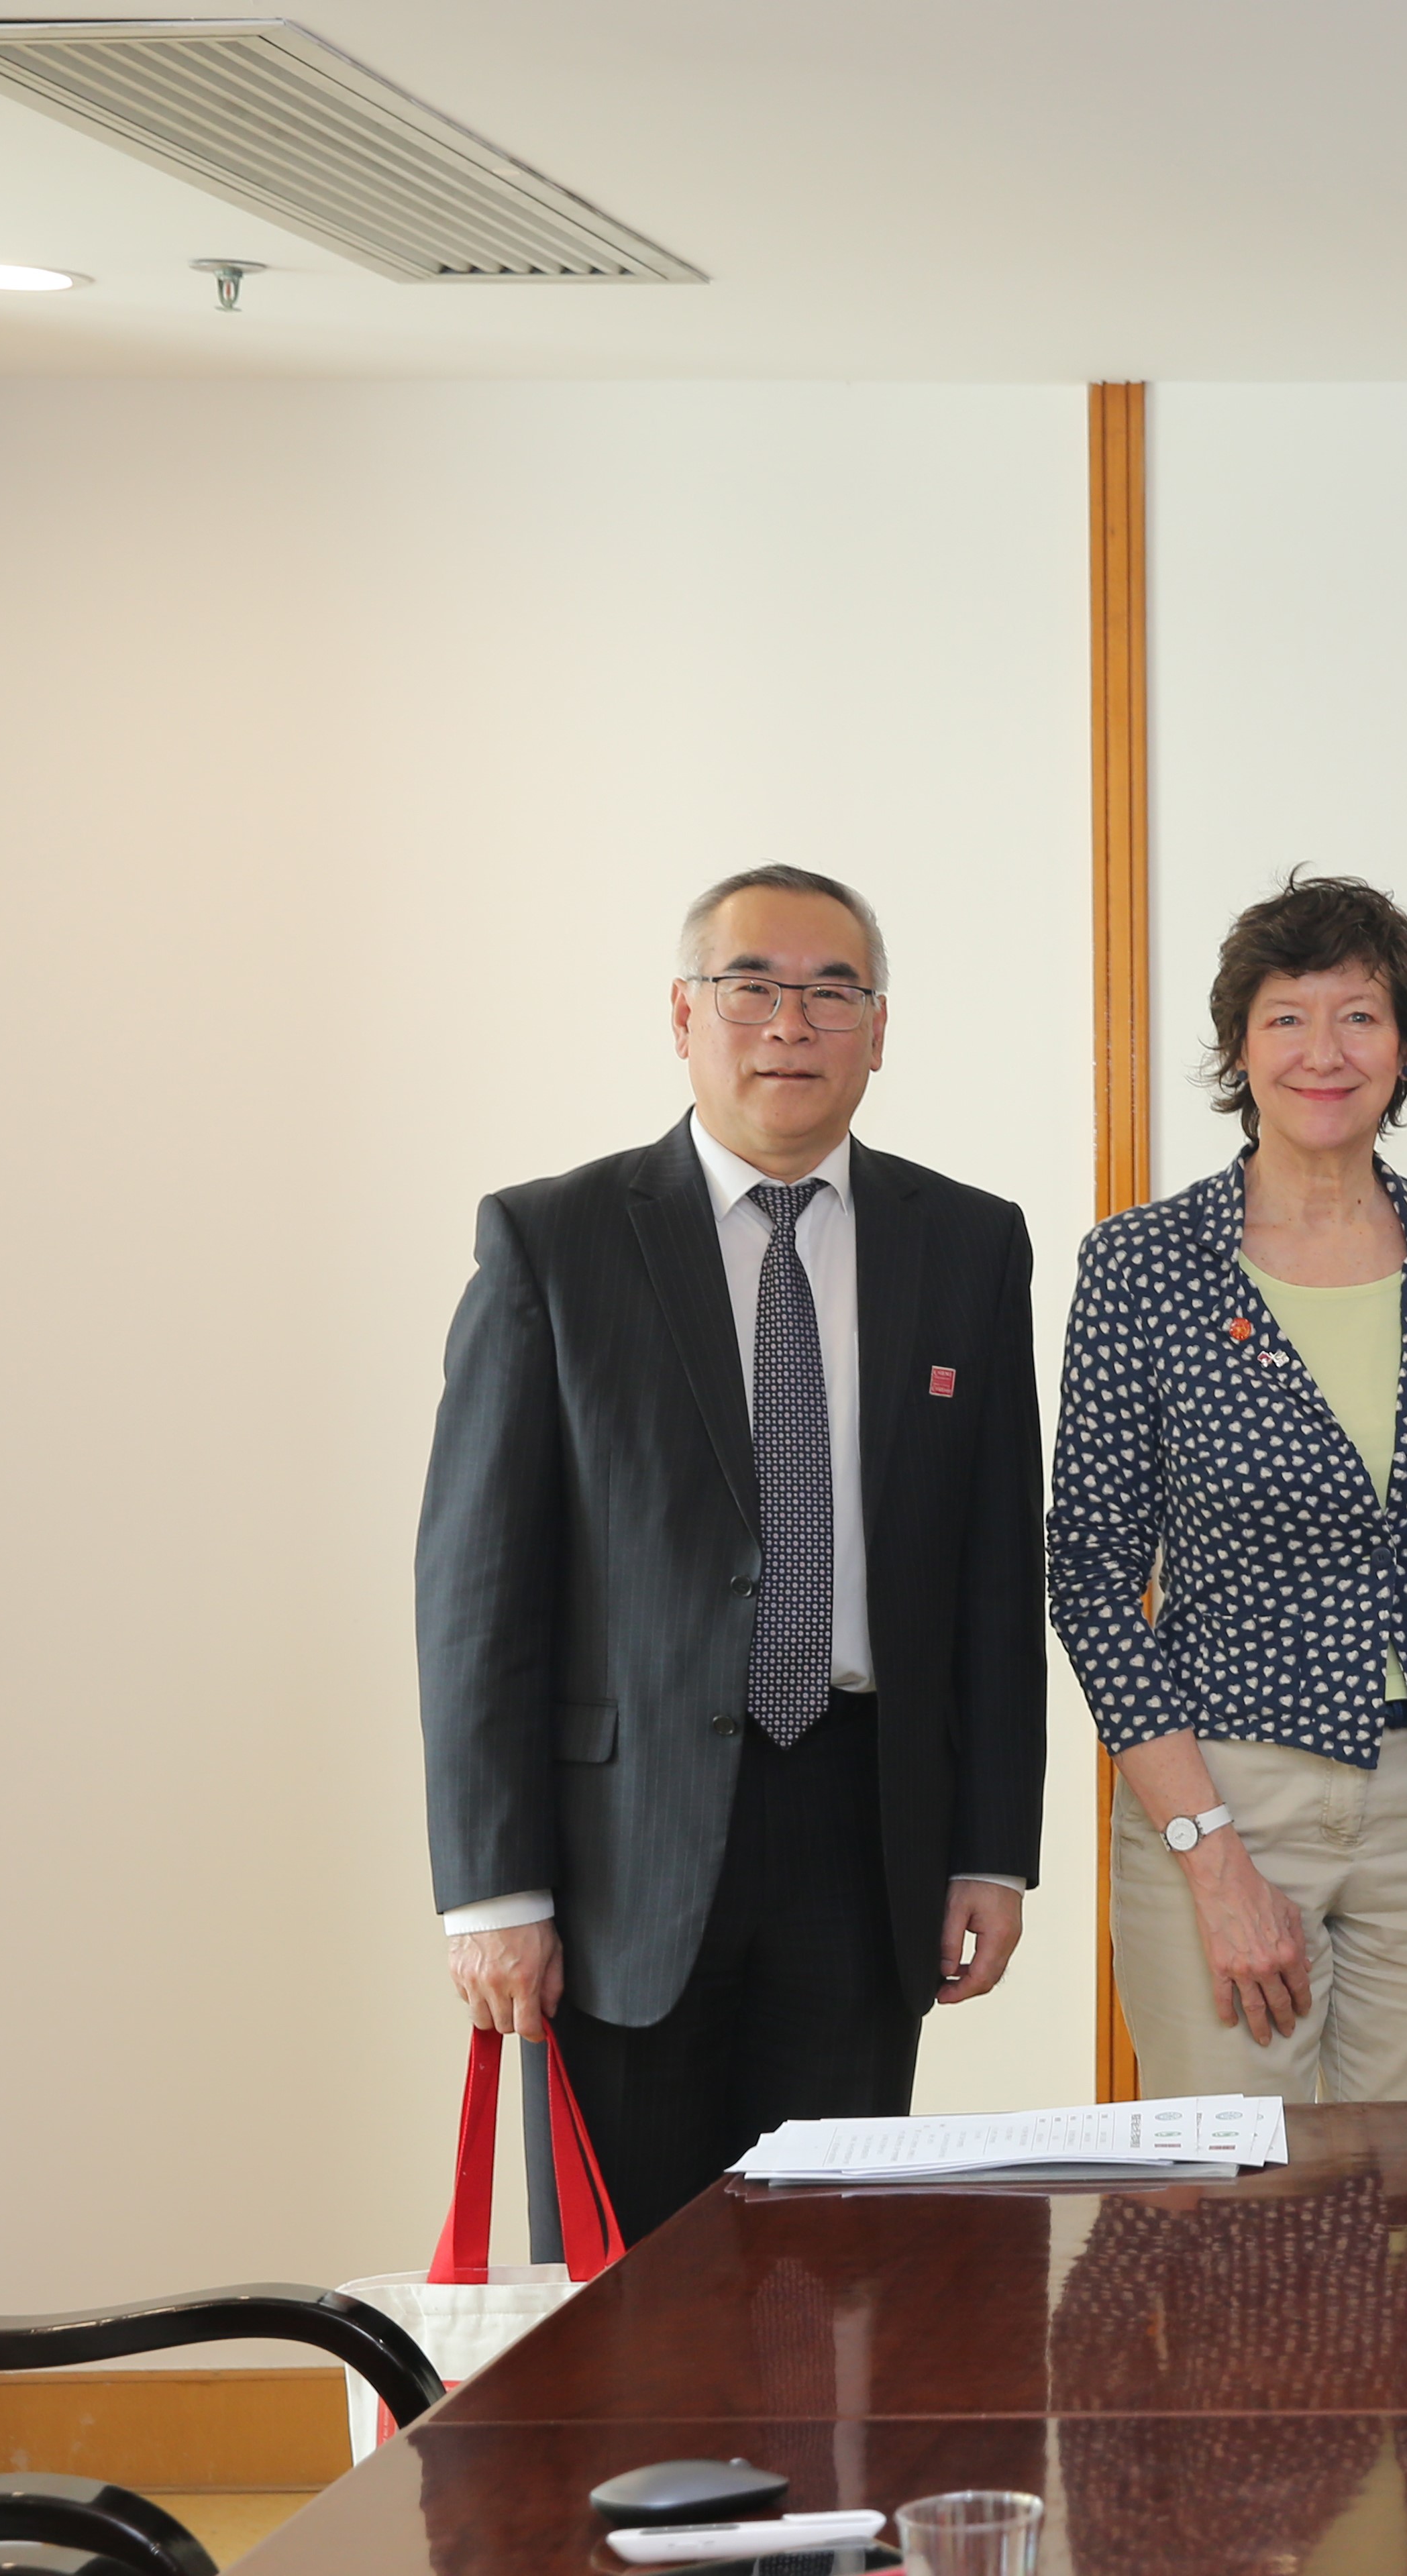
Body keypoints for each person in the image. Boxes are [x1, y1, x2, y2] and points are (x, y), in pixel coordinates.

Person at [421, 866, 1045, 2241]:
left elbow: (999, 1577)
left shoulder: (969, 1244)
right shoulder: (553, 1241)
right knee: (621, 2290)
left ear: (879, 1030)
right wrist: (493, 1890)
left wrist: (993, 1851)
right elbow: (477, 1595)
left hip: (866, 1832)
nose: (791, 1025)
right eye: (752, 986)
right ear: (683, 1015)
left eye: (833, 992)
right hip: (619, 1853)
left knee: (835, 2280)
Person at [1051, 873, 1407, 2102]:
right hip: (1224, 1787)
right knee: (1234, 2195)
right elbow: (1090, 1573)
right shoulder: (1146, 1265)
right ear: (1238, 1047)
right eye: (1286, 1018)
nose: (1325, 1052)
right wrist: (1208, 1849)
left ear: (1406, 1047)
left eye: (1360, 1016)